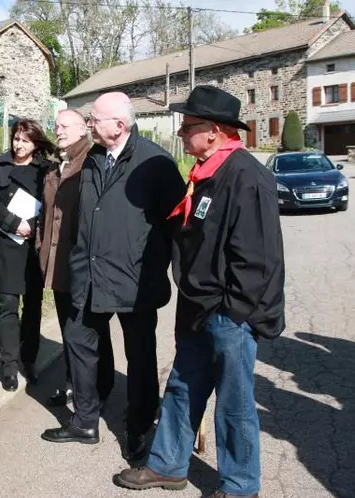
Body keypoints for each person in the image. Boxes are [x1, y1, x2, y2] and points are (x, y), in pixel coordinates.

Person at [114, 86, 285, 496]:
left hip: (227, 314)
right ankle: (168, 465)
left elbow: (258, 259)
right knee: (182, 387)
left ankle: (240, 485)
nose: (180, 134)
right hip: (197, 307)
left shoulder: (245, 177)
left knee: (234, 403)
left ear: (213, 131)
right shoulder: (206, 172)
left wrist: (233, 312)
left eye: (187, 127)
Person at [41, 93, 186, 461]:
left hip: (135, 282)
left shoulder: (156, 163)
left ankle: (138, 428)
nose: (89, 125)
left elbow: (179, 230)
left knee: (140, 356)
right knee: (79, 343)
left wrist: (173, 277)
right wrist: (76, 266)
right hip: (88, 276)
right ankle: (85, 422)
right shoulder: (91, 160)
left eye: (95, 119)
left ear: (119, 125)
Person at [37, 109, 112, 407]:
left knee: (89, 331)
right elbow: (46, 211)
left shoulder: (92, 161)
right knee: (69, 331)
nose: (59, 130)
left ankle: (99, 388)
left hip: (80, 262)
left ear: (83, 129)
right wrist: (40, 244)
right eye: (56, 126)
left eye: (65, 125)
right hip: (55, 263)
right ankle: (72, 385)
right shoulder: (56, 162)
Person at [0, 119, 55, 391]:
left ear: (35, 143)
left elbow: (52, 206)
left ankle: (30, 359)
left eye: (25, 140)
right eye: (16, 138)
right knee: (7, 306)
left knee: (33, 306)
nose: (18, 144)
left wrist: (34, 228)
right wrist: (15, 224)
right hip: (6, 244)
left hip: (34, 247)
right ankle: (9, 367)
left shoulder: (46, 169)